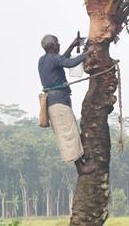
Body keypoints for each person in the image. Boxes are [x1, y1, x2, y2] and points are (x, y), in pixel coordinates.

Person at [38, 34, 95, 174]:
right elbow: (69, 63)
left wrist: (72, 45)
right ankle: (81, 167)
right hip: (58, 102)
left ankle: (82, 162)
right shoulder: (54, 59)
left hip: (54, 101)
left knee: (70, 132)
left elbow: (61, 60)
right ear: (52, 46)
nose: (59, 45)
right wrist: (88, 52)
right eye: (57, 43)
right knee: (68, 134)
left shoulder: (44, 60)